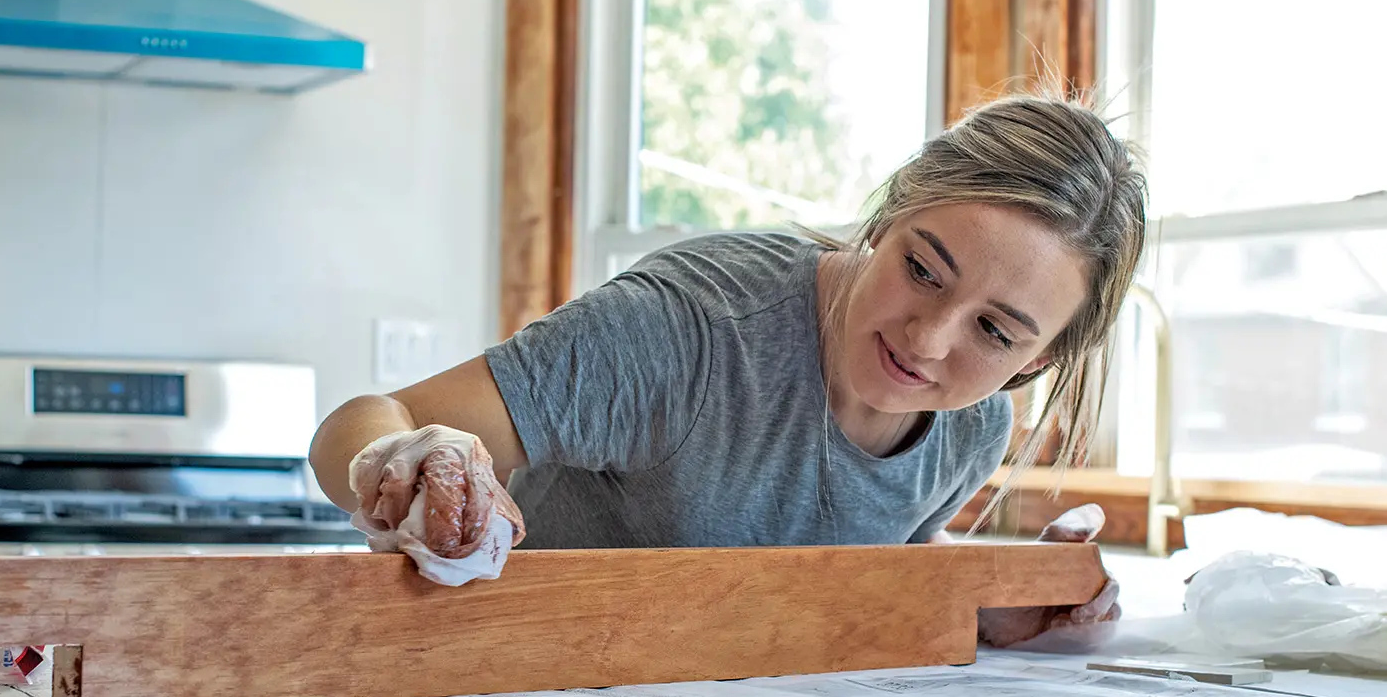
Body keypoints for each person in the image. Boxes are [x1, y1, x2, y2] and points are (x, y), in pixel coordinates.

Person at [309, 92, 1148, 647]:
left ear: (1036, 360)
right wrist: (409, 461)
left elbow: (849, 548)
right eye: (922, 269)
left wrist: (990, 603)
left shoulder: (971, 426)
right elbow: (359, 422)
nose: (928, 339)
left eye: (994, 331)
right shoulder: (688, 331)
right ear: (889, 214)